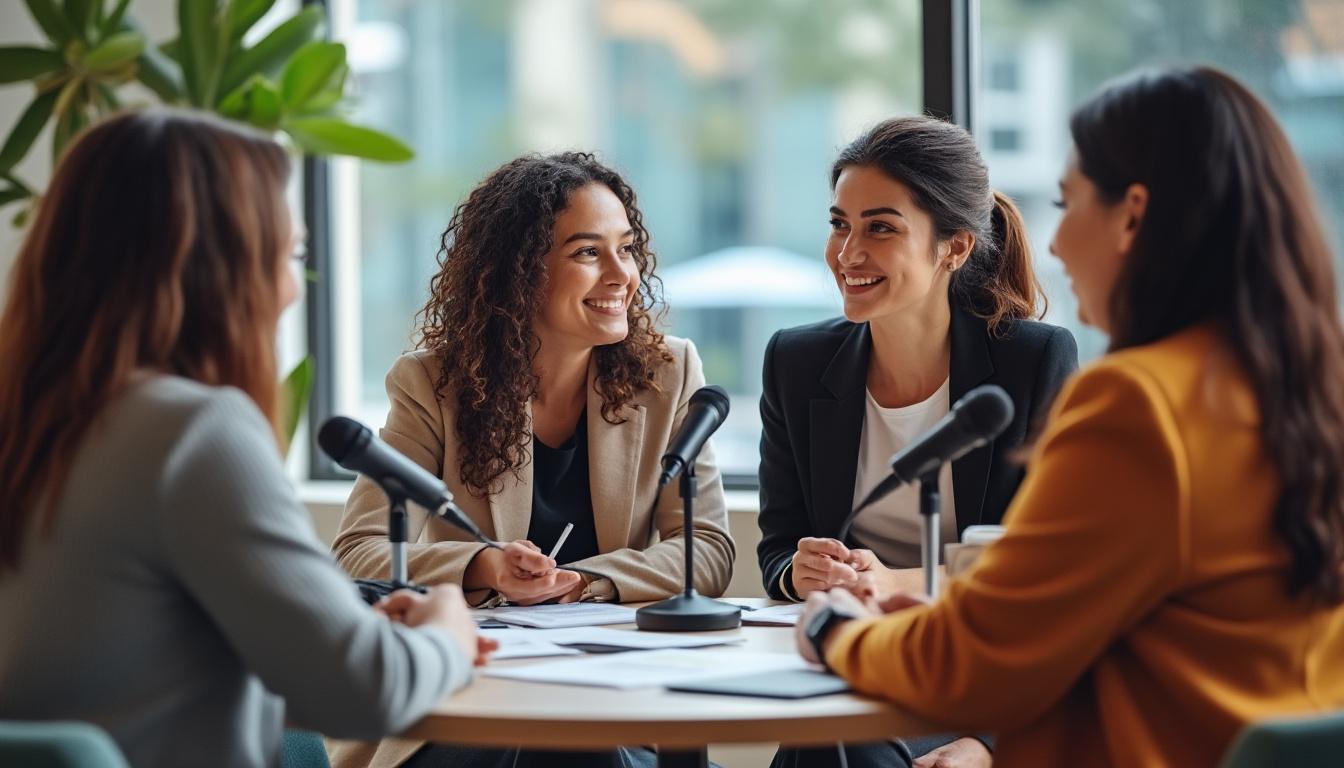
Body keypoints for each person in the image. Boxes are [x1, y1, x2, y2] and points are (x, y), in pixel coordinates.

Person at [797, 66, 1344, 768]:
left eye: (1069, 201)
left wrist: (835, 628)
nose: (1051, 243)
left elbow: (968, 665)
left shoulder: (1140, 405)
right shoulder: (1302, 389)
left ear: (1132, 216)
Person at [0, 109, 488, 768]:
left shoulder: (34, 421)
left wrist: (340, 638)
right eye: (290, 255)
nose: (292, 288)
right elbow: (363, 694)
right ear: (218, 268)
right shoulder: (190, 433)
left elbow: (131, 665)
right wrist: (447, 634)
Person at [328, 152, 734, 768]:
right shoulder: (433, 384)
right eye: (587, 253)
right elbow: (360, 553)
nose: (621, 274)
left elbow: (706, 549)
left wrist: (586, 583)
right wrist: (485, 565)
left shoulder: (669, 375)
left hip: (618, 705)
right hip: (473, 703)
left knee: (581, 746)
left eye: (625, 248)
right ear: (520, 274)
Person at [758, 115, 1077, 767]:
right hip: (850, 672)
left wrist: (986, 747)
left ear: (954, 246)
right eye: (839, 224)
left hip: (978, 685)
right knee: (833, 740)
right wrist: (802, 571)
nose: (848, 253)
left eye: (880, 227)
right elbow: (776, 548)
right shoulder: (795, 361)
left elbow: (1044, 579)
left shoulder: (1033, 361)